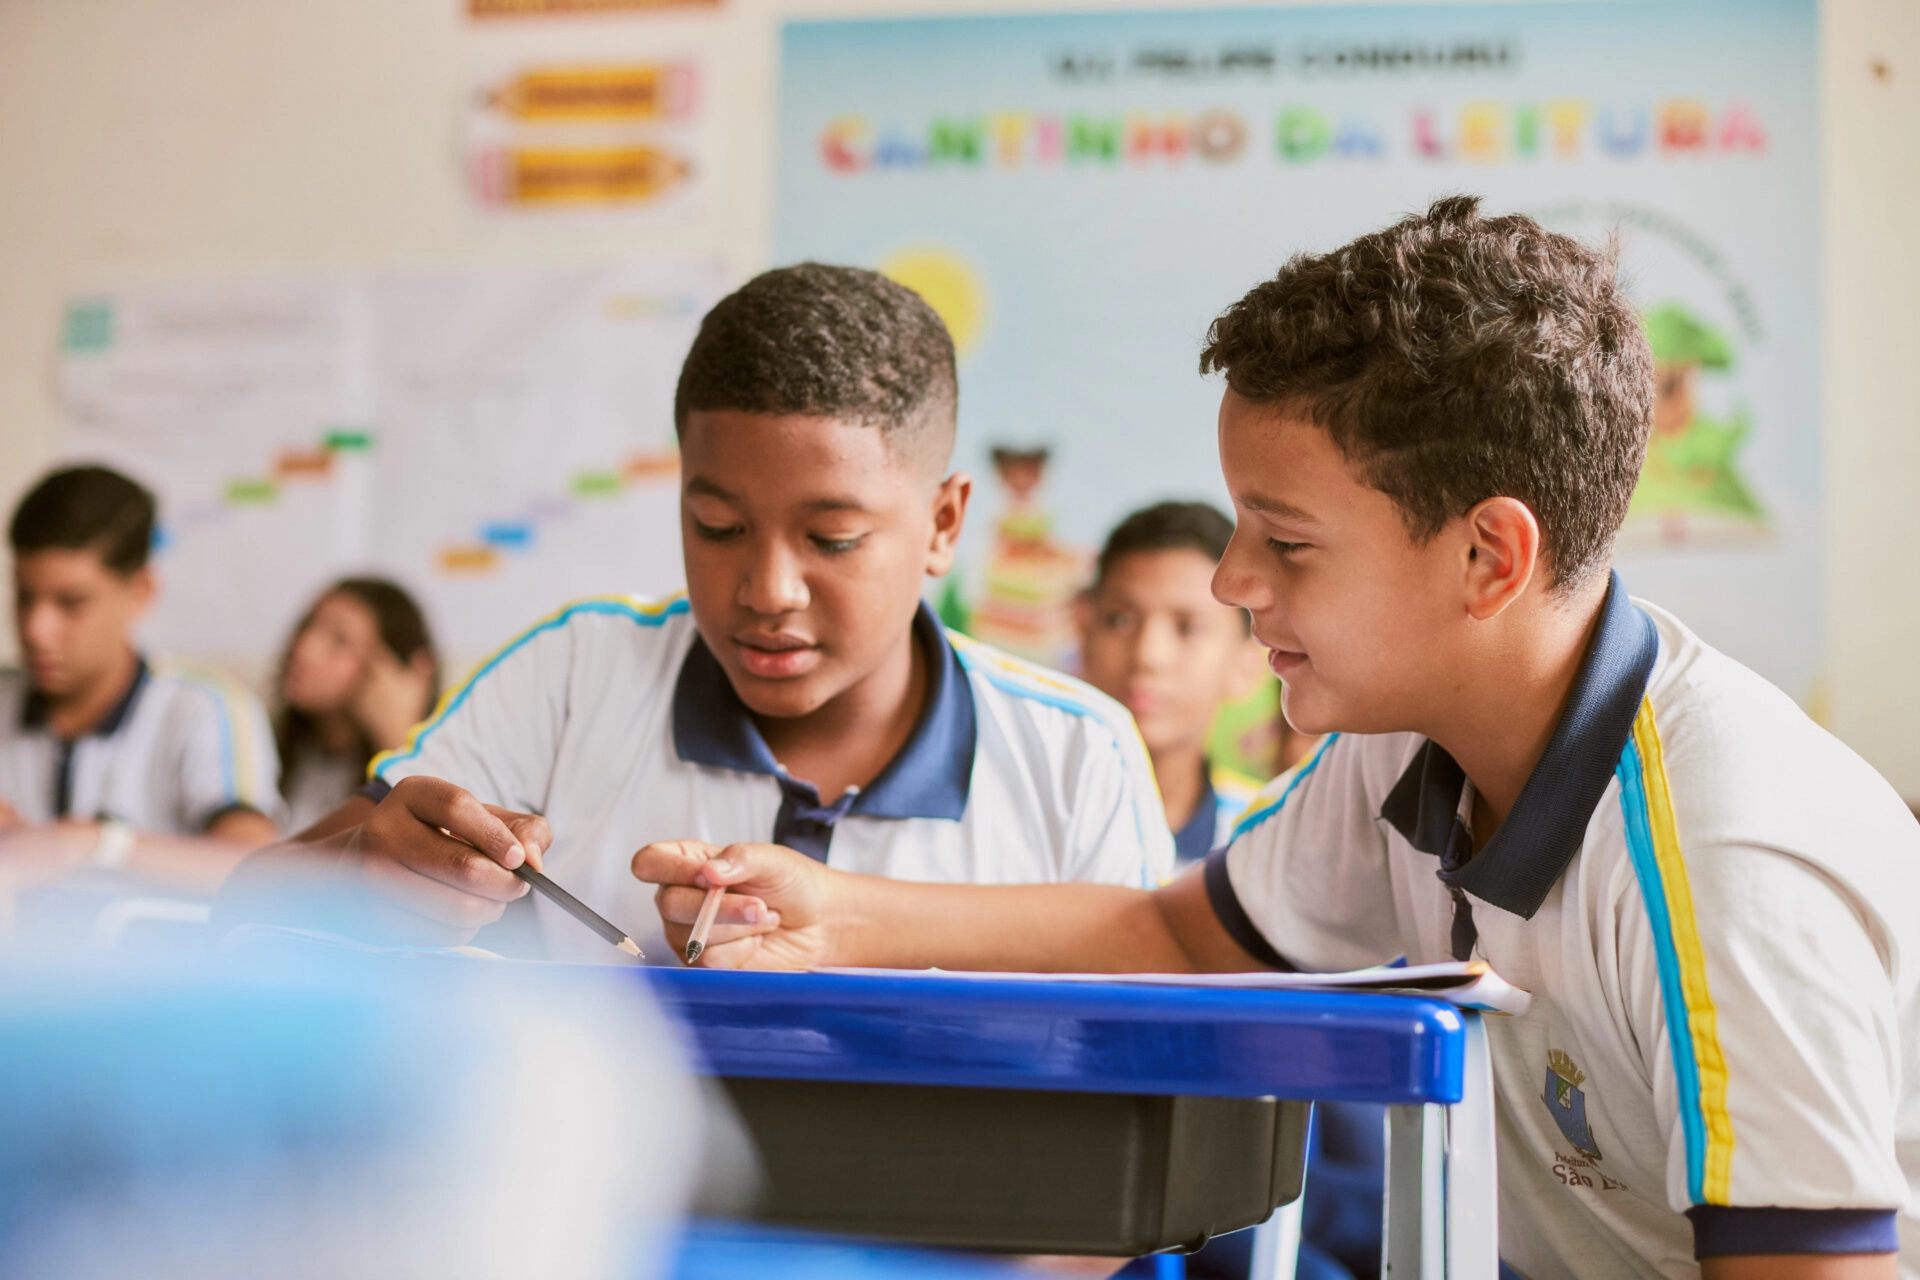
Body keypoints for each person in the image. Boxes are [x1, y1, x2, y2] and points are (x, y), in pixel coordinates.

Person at [634, 200, 1920, 1278]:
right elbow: (1180, 935)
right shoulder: (1410, 736)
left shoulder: (1729, 859)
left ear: (1487, 556)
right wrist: (839, 911)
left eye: (1283, 539)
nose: (1232, 578)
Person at [225, 263, 1172, 959]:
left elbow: (1149, 1106)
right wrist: (362, 871)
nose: (766, 590)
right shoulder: (574, 678)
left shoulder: (1076, 757)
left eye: (832, 540)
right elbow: (246, 907)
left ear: (944, 523)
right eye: (716, 525)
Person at [0, 465, 280, 902]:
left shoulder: (204, 708)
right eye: (24, 596)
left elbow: (258, 867)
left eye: (70, 603)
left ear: (141, 591)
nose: (36, 629)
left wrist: (96, 844)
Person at [1077, 501, 1268, 867]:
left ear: (1246, 663)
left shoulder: (1267, 840)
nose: (1148, 655)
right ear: (1084, 633)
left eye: (1187, 628)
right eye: (1119, 620)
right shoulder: (1015, 812)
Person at [274, 578, 439, 834]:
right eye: (306, 626)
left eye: (339, 640)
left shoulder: (444, 767)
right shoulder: (266, 748)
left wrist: (397, 736)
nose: (302, 649)